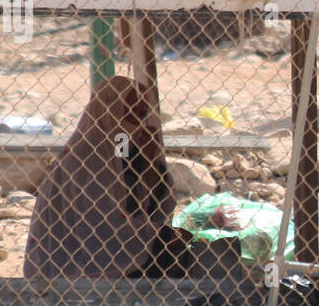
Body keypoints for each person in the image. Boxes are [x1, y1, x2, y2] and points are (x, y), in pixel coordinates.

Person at [24, 76, 237, 279]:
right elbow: (102, 232)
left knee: (216, 248)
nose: (139, 123)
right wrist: (160, 235)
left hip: (119, 251)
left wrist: (149, 163)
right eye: (129, 114)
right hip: (71, 265)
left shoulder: (123, 152)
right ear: (109, 114)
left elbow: (150, 208)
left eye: (142, 114)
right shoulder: (87, 160)